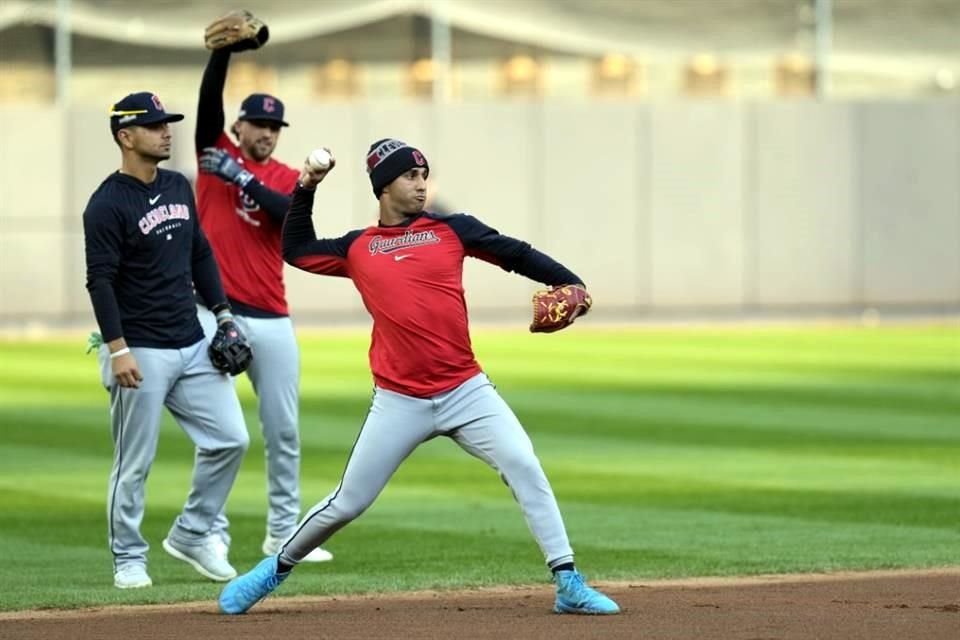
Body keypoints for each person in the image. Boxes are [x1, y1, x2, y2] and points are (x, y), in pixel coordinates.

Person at [218, 139, 620, 615]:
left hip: (466, 390)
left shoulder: (452, 229)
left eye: (423, 175)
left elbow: (515, 252)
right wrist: (306, 186)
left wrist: (570, 281)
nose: (421, 184)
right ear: (383, 186)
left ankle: (568, 581)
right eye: (410, 176)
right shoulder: (357, 248)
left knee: (524, 465)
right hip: (399, 400)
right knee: (348, 502)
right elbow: (298, 249)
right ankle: (273, 570)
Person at [83, 92, 251, 589]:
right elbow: (100, 280)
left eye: (167, 123)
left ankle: (194, 532)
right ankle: (128, 558)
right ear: (126, 136)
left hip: (192, 336)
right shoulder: (107, 204)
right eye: (155, 125)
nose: (167, 131)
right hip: (141, 348)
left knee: (231, 439)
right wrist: (117, 349)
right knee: (134, 464)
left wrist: (222, 315)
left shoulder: (178, 185)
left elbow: (200, 252)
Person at [193, 47, 332, 563]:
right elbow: (207, 104)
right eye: (259, 124)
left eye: (275, 127)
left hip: (271, 313)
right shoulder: (213, 150)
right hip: (213, 311)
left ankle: (283, 534)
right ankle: (210, 533)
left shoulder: (281, 174)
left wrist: (240, 174)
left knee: (284, 429)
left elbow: (290, 211)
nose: (268, 133)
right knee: (220, 432)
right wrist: (221, 54)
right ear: (240, 125)